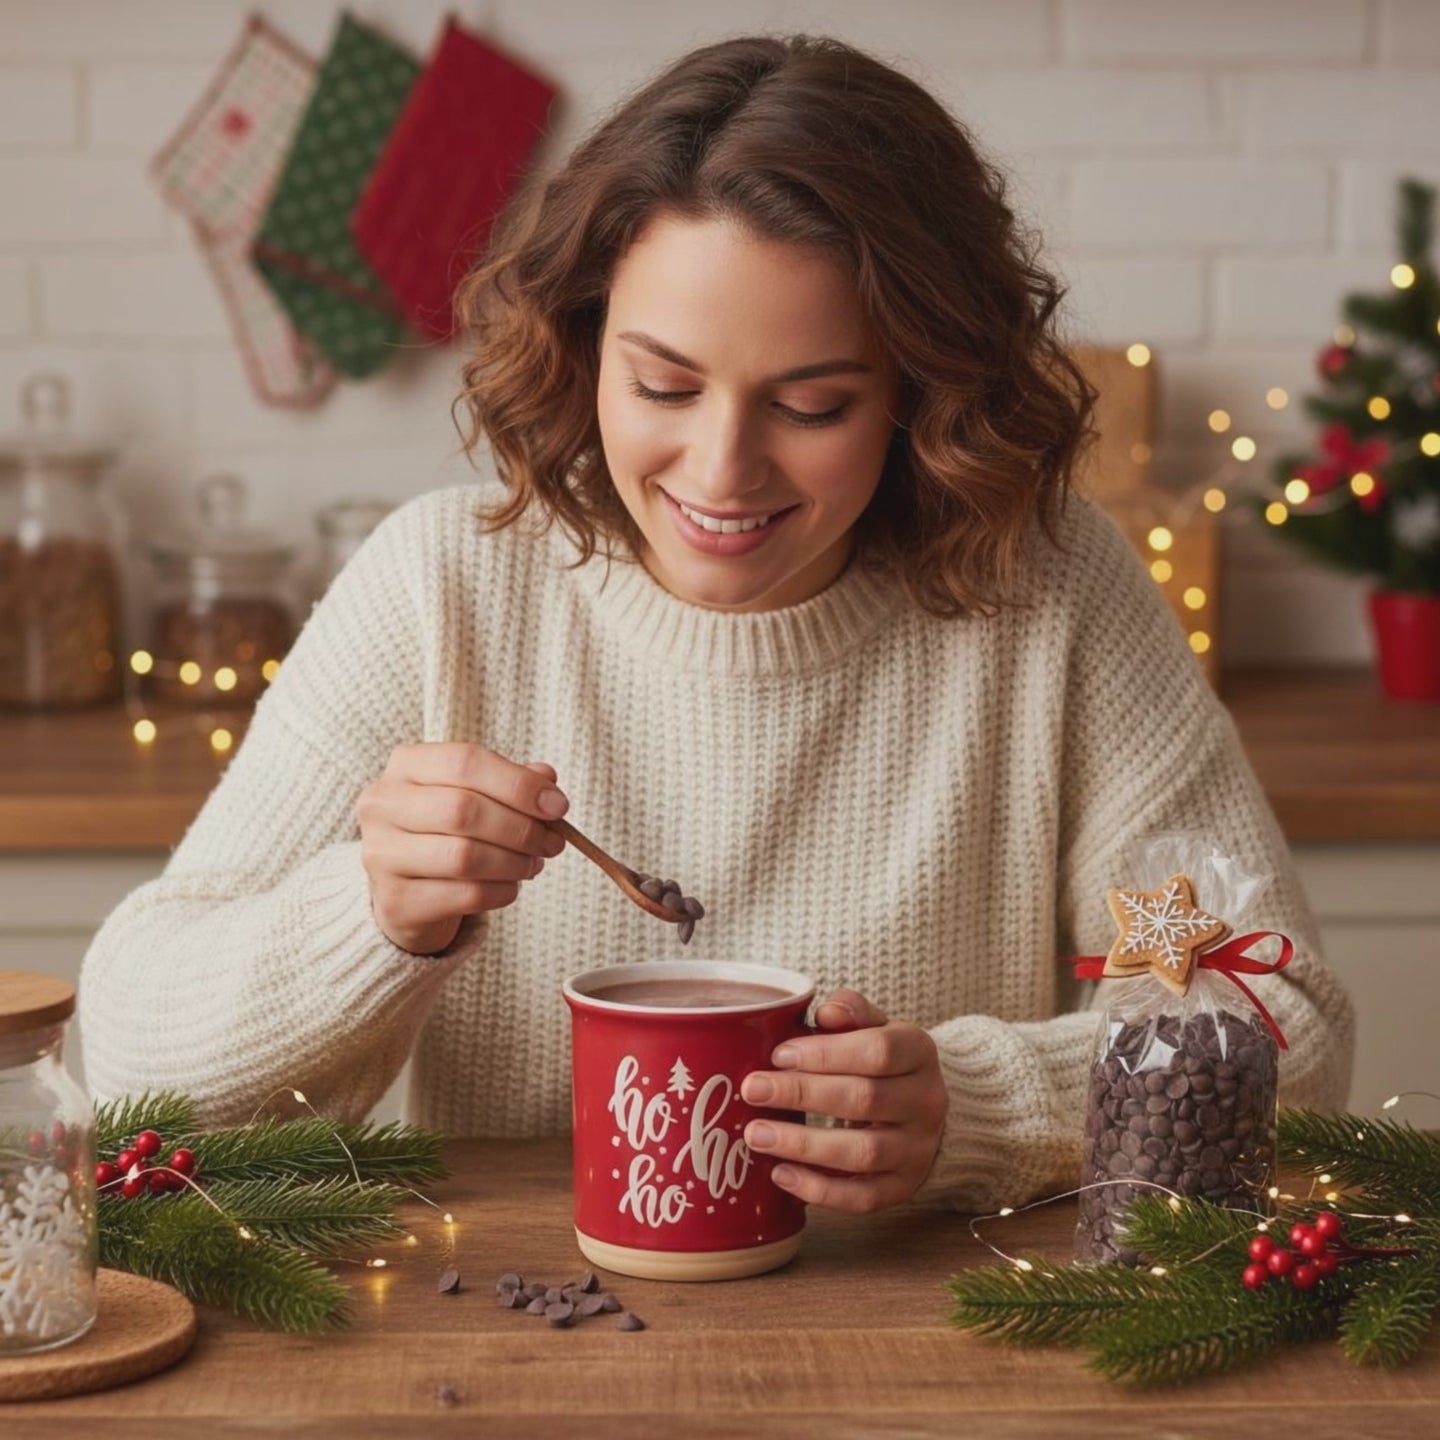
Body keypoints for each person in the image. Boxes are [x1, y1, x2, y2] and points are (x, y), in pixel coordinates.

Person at [79, 34, 1353, 1214]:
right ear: (585, 347)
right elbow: (132, 1061)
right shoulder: (444, 589)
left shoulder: (1052, 592)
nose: (722, 469)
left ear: (924, 386)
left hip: (946, 1352)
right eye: (664, 385)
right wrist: (367, 917)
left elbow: (1274, 1011)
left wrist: (983, 1107)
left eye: (811, 405)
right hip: (503, 1343)